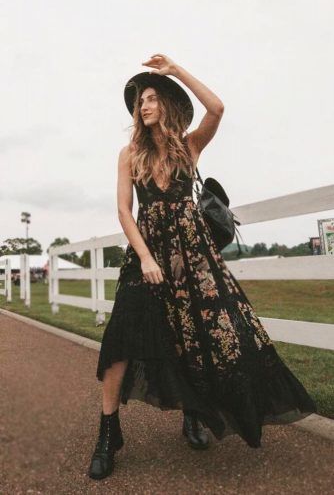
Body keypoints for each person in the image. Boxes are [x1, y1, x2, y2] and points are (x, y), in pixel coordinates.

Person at [88, 54, 317, 480]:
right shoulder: (129, 153)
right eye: (140, 101)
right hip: (147, 254)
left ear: (167, 104)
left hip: (194, 258)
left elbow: (217, 108)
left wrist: (175, 70)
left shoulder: (189, 146)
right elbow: (124, 211)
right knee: (120, 338)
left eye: (152, 98)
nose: (144, 106)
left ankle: (194, 413)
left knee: (200, 339)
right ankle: (108, 432)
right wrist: (145, 257)